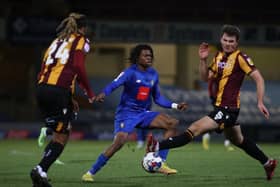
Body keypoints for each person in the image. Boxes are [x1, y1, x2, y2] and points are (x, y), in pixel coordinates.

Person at [146, 24, 277, 180]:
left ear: (237, 43)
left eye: (231, 41)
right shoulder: (218, 57)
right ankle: (268, 162)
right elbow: (204, 77)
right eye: (225, 40)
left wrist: (260, 101)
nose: (228, 43)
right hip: (220, 106)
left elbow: (259, 79)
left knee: (193, 129)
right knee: (238, 140)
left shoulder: (241, 58)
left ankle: (158, 145)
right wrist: (202, 60)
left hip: (229, 109)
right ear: (221, 40)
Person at [81, 44, 187, 182]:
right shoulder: (129, 72)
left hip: (143, 113)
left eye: (150, 55)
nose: (149, 58)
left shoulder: (153, 74)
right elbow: (114, 84)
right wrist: (103, 93)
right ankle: (90, 172)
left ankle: (160, 161)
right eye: (145, 55)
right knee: (119, 143)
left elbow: (158, 98)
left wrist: (175, 105)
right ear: (137, 58)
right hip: (126, 114)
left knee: (172, 123)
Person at [30, 12, 95, 187]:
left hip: (42, 88)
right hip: (57, 91)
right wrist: (89, 92)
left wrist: (69, 96)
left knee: (59, 132)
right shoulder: (82, 41)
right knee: (62, 136)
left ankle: (42, 173)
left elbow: (45, 69)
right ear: (84, 28)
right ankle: (40, 169)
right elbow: (78, 67)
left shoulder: (55, 42)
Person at [202, 78, 234, 151]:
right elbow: (210, 85)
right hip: (217, 100)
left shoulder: (229, 76)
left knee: (226, 120)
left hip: (228, 101)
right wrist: (212, 97)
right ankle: (207, 136)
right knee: (219, 120)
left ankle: (227, 143)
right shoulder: (217, 75)